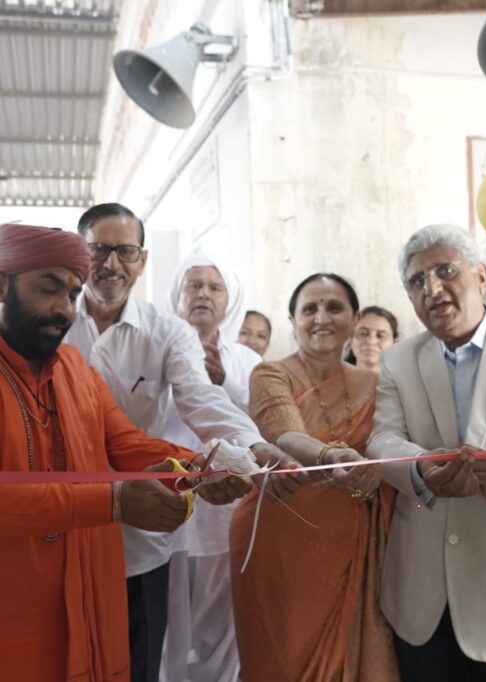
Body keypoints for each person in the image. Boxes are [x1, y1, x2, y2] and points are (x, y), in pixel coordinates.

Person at [0, 223, 251, 682]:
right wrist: (116, 502)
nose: (64, 309)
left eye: (72, 293)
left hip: (66, 603)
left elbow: (124, 444)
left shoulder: (73, 368)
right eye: (48, 289)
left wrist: (201, 469)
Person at [64, 203, 303, 682]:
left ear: (143, 260)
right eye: (99, 250)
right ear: (79, 254)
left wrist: (253, 447)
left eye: (125, 252)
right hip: (64, 521)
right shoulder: (54, 325)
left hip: (142, 528)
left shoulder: (167, 332)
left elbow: (198, 397)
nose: (112, 264)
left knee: (140, 658)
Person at [369, 224, 486, 682]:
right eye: (417, 280)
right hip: (422, 600)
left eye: (445, 271)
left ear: (481, 276)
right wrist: (422, 470)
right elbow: (382, 440)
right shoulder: (398, 359)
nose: (432, 289)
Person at [230, 273, 400, 682]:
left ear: (354, 319)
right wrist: (331, 456)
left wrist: (373, 477)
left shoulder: (377, 385)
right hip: (280, 541)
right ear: (293, 320)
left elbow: (390, 450)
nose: (321, 318)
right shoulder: (270, 374)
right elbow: (282, 432)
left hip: (353, 544)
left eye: (334, 307)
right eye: (310, 309)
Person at [160, 252, 263, 682]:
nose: (203, 294)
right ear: (178, 294)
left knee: (223, 626)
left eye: (214, 287)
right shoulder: (157, 350)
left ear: (229, 299)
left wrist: (226, 385)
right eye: (194, 284)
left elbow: (261, 428)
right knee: (167, 626)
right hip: (168, 508)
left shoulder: (247, 362)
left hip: (224, 514)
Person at [346, 305, 400, 371]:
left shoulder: (408, 377)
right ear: (351, 339)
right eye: (363, 333)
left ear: (394, 343)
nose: (371, 341)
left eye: (380, 336)